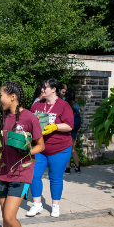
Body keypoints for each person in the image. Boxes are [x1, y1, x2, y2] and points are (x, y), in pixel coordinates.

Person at [0, 82, 44, 227]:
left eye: (2, 95)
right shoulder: (6, 115)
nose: (0, 99)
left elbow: (40, 145)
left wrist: (27, 152)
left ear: (12, 96)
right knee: (4, 216)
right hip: (4, 171)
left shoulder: (30, 118)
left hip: (21, 172)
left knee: (9, 215)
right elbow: (5, 143)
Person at [27, 78, 74, 218]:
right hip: (40, 148)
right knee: (33, 176)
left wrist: (55, 127)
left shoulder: (64, 105)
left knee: (55, 178)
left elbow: (70, 126)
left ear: (54, 89)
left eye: (45, 88)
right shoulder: (37, 105)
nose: (42, 90)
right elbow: (29, 122)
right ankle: (37, 204)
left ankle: (55, 206)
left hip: (59, 148)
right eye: (42, 87)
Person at [64, 87, 82, 174]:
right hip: (74, 129)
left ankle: (67, 168)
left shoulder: (65, 104)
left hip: (67, 129)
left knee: (67, 148)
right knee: (73, 148)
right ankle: (77, 167)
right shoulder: (76, 105)